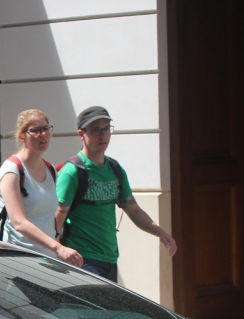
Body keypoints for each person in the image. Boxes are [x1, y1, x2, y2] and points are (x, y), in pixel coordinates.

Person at [55, 106, 177, 282]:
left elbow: (133, 210)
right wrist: (57, 252)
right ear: (81, 134)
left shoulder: (115, 169)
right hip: (82, 260)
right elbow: (58, 216)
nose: (102, 135)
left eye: (106, 128)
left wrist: (160, 233)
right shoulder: (72, 172)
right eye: (95, 130)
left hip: (110, 259)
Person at [0, 110, 83, 266]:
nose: (43, 134)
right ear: (22, 136)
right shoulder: (12, 169)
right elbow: (19, 222)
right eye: (35, 130)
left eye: (46, 128)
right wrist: (58, 248)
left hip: (45, 262)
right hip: (14, 261)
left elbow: (50, 220)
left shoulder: (50, 169)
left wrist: (57, 252)